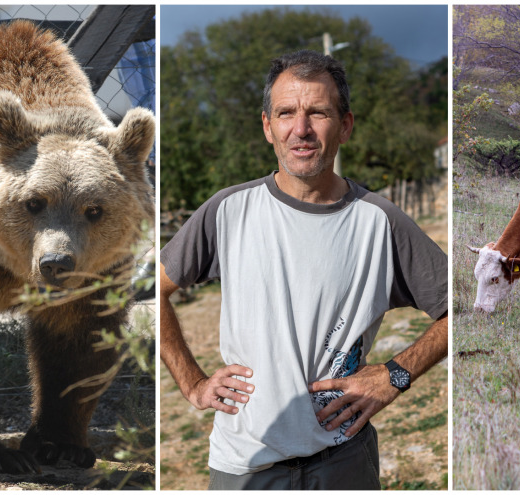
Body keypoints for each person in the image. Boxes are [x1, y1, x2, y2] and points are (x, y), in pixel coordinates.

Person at [160, 50, 448, 490]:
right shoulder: (228, 211)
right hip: (245, 466)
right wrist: (193, 383)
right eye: (286, 113)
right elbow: (149, 290)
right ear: (266, 126)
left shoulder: (380, 221)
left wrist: (395, 374)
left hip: (343, 462)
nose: (301, 129)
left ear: (345, 125)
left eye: (318, 113)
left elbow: (464, 309)